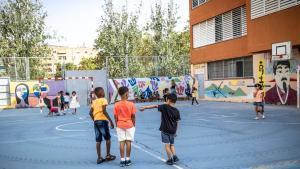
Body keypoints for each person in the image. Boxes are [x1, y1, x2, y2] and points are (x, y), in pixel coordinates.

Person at [140, 93, 181, 165]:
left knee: (167, 145)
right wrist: (175, 132)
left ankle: (170, 159)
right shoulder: (176, 111)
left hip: (165, 130)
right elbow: (177, 122)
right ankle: (174, 156)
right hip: (173, 131)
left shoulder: (164, 107)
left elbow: (155, 106)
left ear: (168, 100)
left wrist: (145, 107)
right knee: (172, 144)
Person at [89, 87, 116, 164]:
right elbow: (104, 111)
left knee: (98, 140)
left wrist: (94, 120)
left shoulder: (94, 101)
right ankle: (108, 155)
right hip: (103, 121)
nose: (104, 92)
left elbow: (90, 113)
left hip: (96, 121)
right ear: (101, 93)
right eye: (103, 91)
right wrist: (111, 121)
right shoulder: (103, 99)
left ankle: (99, 157)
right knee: (108, 138)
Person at [114, 86, 136, 167]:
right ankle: (128, 159)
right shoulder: (131, 104)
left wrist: (117, 124)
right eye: (128, 92)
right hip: (129, 125)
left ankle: (122, 160)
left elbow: (115, 116)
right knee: (128, 142)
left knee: (121, 142)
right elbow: (133, 116)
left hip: (120, 125)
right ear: (126, 94)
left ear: (119, 94)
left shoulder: (116, 104)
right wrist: (134, 124)